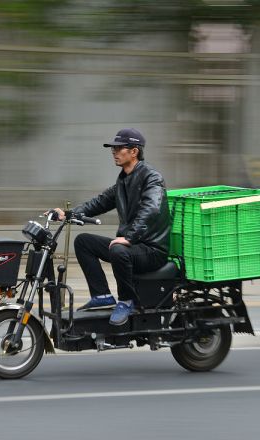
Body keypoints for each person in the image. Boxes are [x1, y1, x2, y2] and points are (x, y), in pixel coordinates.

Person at [50, 128, 171, 326]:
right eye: (112, 149)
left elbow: (151, 209)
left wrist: (130, 237)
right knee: (83, 242)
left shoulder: (151, 177)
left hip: (152, 249)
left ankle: (126, 300)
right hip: (132, 246)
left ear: (134, 151)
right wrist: (68, 214)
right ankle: (102, 295)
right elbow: (99, 203)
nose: (114, 152)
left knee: (118, 249)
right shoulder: (123, 180)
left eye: (119, 148)